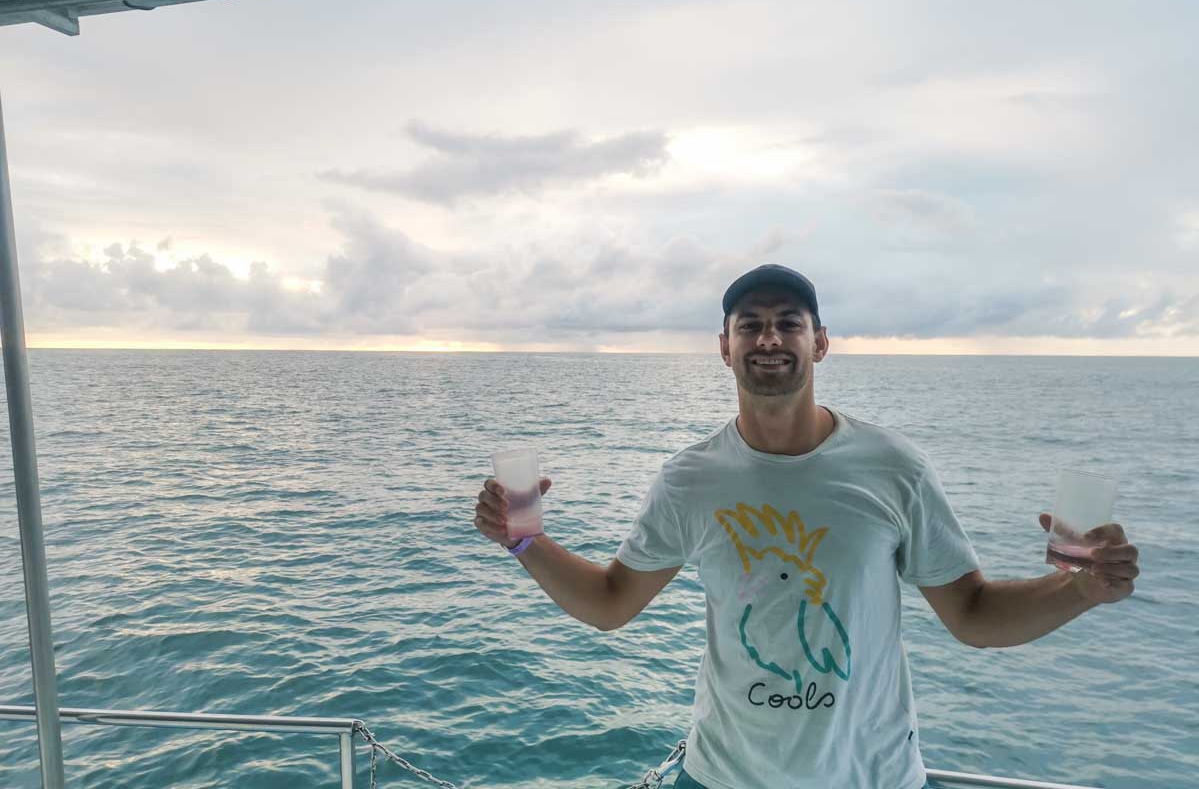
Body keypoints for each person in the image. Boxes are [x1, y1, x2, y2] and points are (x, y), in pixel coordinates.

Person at [472, 264, 1141, 789]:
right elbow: (611, 602)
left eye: (788, 323)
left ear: (819, 343)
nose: (769, 338)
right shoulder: (690, 479)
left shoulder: (893, 467)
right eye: (750, 325)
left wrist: (1081, 589)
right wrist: (524, 539)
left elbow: (972, 614)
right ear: (725, 348)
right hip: (722, 777)